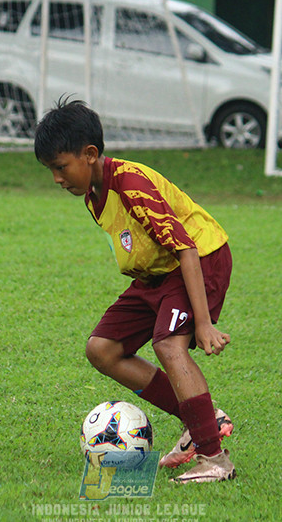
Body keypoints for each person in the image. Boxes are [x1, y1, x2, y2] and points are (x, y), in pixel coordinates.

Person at [34, 98, 236, 484]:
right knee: (103, 349)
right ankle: (202, 423)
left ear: (90, 155)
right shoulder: (94, 196)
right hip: (157, 273)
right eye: (51, 170)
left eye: (61, 167)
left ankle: (215, 459)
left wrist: (205, 324)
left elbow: (186, 247)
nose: (57, 179)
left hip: (199, 259)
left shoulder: (130, 183)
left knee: (168, 345)